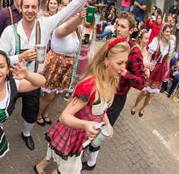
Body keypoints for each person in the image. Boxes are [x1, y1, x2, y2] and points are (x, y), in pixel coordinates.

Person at [0, 0, 100, 151]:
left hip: (35, 79)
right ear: (20, 8)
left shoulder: (45, 24)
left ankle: (26, 133)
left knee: (30, 113)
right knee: (4, 110)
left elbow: (69, 9)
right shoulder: (9, 31)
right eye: (26, 7)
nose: (29, 10)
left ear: (38, 9)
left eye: (33, 7)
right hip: (12, 80)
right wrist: (18, 57)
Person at [36, 38, 130, 174]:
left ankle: (40, 166)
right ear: (106, 60)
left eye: (125, 62)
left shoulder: (112, 80)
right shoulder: (89, 85)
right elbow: (64, 117)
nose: (123, 68)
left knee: (59, 154)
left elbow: (101, 111)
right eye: (120, 63)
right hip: (72, 133)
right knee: (68, 170)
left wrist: (108, 124)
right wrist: (85, 125)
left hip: (81, 136)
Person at [83, 12, 147, 170]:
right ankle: (81, 151)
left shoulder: (134, 52)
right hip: (101, 90)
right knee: (90, 122)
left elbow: (141, 83)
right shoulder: (112, 41)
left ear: (131, 31)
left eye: (123, 27)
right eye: (118, 25)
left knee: (100, 130)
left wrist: (125, 73)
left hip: (116, 98)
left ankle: (91, 162)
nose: (118, 29)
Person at [37, 10, 84, 126]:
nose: (72, 15)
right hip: (56, 64)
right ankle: (38, 114)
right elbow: (65, 30)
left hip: (68, 65)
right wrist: (79, 18)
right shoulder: (60, 26)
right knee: (49, 95)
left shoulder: (77, 30)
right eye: (71, 13)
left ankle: (46, 113)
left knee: (58, 94)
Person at [130, 24, 174, 117]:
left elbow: (168, 59)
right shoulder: (156, 41)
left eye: (170, 32)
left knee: (151, 93)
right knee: (144, 91)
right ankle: (135, 105)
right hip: (153, 68)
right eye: (167, 31)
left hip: (161, 71)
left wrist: (167, 71)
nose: (168, 34)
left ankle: (143, 108)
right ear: (162, 32)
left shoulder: (170, 45)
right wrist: (147, 69)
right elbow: (149, 56)